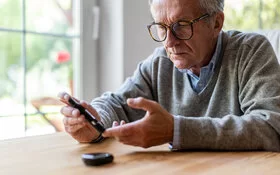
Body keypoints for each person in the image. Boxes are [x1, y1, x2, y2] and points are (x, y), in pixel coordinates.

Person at [59, 0, 280, 151]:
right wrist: (94, 121)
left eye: (181, 26)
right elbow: (117, 103)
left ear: (216, 22)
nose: (169, 42)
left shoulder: (251, 51)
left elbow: (271, 128)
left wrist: (175, 130)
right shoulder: (160, 62)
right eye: (161, 28)